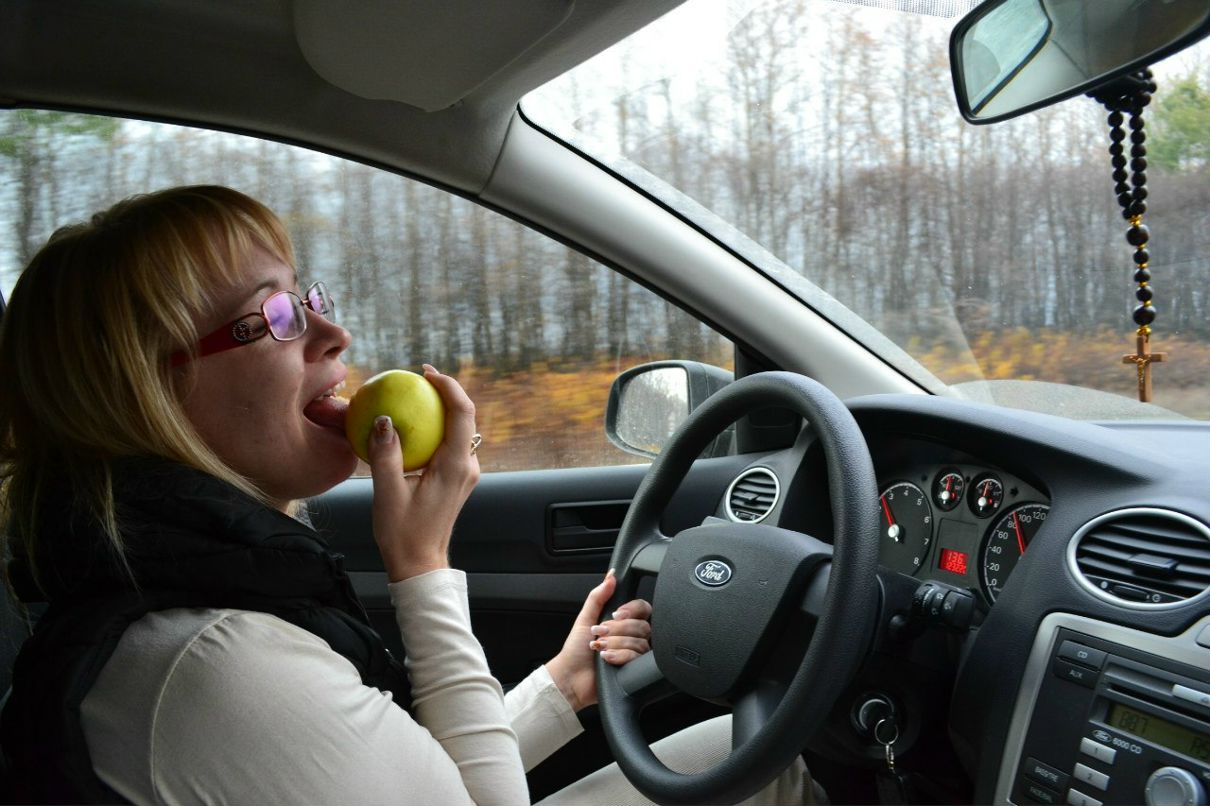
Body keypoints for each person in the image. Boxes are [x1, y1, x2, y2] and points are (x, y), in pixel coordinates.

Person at [0, 185, 819, 805]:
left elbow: (409, 774)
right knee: (786, 763)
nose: (334, 334)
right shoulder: (212, 664)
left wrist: (561, 686)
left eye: (309, 296)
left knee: (772, 751)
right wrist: (422, 566)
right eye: (277, 314)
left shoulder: (203, 605)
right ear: (150, 388)